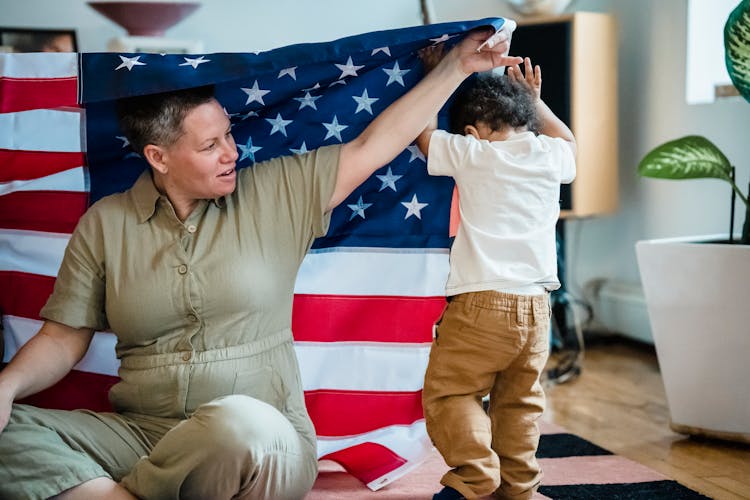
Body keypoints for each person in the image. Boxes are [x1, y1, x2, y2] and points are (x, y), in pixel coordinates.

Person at [0, 28, 522, 500]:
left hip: (262, 439)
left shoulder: (275, 192)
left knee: (238, 425)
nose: (231, 152)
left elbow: (374, 145)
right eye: (210, 145)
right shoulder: (106, 223)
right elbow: (63, 337)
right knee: (14, 430)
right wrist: (4, 388)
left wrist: (455, 66)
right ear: (159, 157)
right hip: (145, 436)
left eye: (227, 134)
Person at [415, 58, 577, 500]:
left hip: (481, 303)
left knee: (452, 393)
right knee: (519, 403)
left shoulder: (474, 153)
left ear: (473, 130)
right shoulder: (550, 155)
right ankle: (520, 488)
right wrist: (536, 102)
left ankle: (474, 476)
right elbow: (567, 138)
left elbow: (425, 137)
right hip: (537, 308)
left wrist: (435, 77)